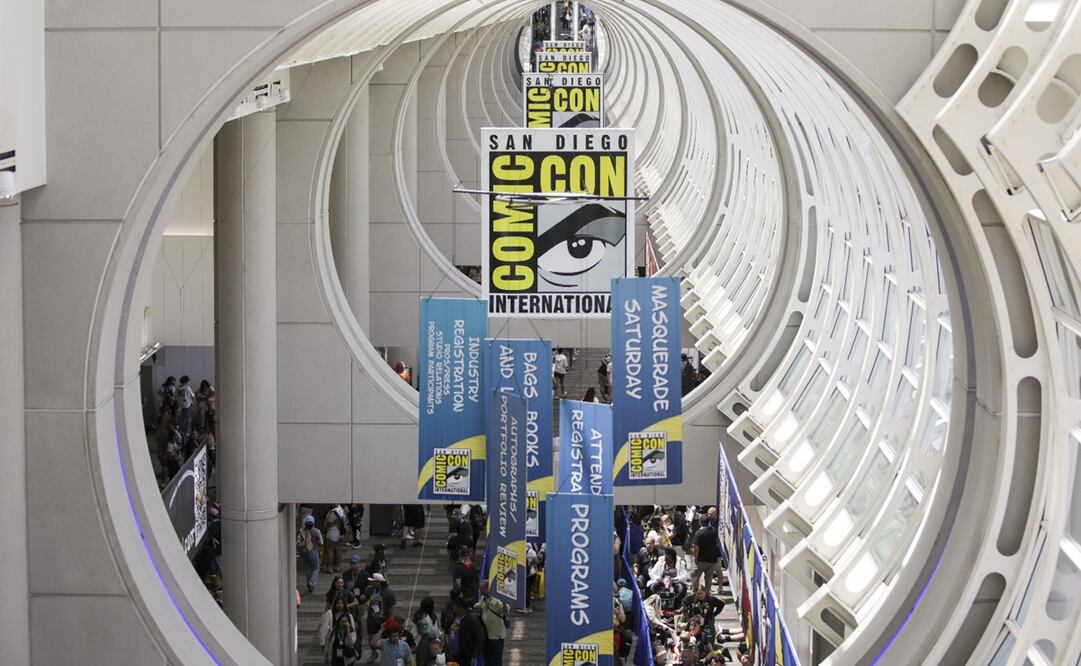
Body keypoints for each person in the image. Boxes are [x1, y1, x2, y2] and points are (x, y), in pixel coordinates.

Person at [362, 573, 397, 662]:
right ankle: (374, 652)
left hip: (383, 619)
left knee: (386, 639)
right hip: (372, 618)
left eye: (373, 581)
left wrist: (391, 620)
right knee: (371, 637)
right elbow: (366, 599)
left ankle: (386, 654)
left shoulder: (388, 592)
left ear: (379, 582)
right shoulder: (370, 590)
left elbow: (392, 607)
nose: (371, 583)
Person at [477, 581, 508, 666]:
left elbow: (505, 610)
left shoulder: (497, 599)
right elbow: (480, 610)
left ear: (488, 588)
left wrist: (505, 602)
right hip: (487, 634)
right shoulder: (482, 599)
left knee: (497, 658)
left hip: (496, 634)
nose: (480, 590)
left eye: (482, 588)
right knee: (487, 657)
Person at [689, 516, 722, 594]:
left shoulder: (698, 533)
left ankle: (695, 591)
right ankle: (707, 592)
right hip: (712, 559)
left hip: (701, 559)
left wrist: (695, 558)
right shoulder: (714, 531)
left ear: (700, 522)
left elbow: (696, 548)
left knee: (694, 575)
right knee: (708, 577)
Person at [447, 596, 483, 666]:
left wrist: (475, 654)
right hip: (455, 654)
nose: (453, 608)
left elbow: (479, 637)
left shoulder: (472, 620)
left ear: (460, 608)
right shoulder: (457, 618)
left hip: (466, 655)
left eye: (455, 606)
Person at [413, 596, 442, 666]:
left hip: (420, 642)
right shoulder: (430, 617)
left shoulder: (418, 615)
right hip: (429, 642)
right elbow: (435, 631)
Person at [298, 514, 323, 593]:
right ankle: (312, 581)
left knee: (308, 568)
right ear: (313, 523)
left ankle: (309, 585)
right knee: (316, 568)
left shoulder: (302, 530)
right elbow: (321, 543)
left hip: (303, 551)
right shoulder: (316, 531)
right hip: (313, 551)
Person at [325, 504, 347, 573]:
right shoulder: (342, 510)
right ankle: (337, 566)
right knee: (338, 549)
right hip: (341, 531)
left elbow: (330, 521)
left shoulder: (334, 512)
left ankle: (329, 568)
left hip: (333, 531)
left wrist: (326, 528)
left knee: (330, 550)